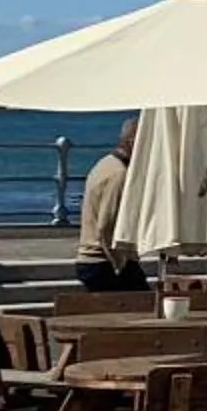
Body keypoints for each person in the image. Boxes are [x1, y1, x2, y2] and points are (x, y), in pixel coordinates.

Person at [73, 120, 148, 292]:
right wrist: (119, 264)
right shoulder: (119, 175)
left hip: (94, 260)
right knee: (143, 304)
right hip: (102, 261)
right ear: (133, 142)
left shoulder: (105, 163)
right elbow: (107, 224)